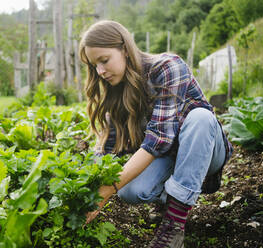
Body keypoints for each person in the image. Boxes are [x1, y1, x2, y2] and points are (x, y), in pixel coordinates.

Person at [79, 20, 233, 248]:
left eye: (104, 60)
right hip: (168, 157)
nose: (100, 71)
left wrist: (106, 191)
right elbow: (105, 150)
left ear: (124, 49)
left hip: (205, 150)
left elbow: (159, 139)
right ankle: (171, 200)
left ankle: (173, 225)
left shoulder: (167, 67)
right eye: (94, 66)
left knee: (200, 117)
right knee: (130, 190)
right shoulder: (116, 91)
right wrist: (87, 193)